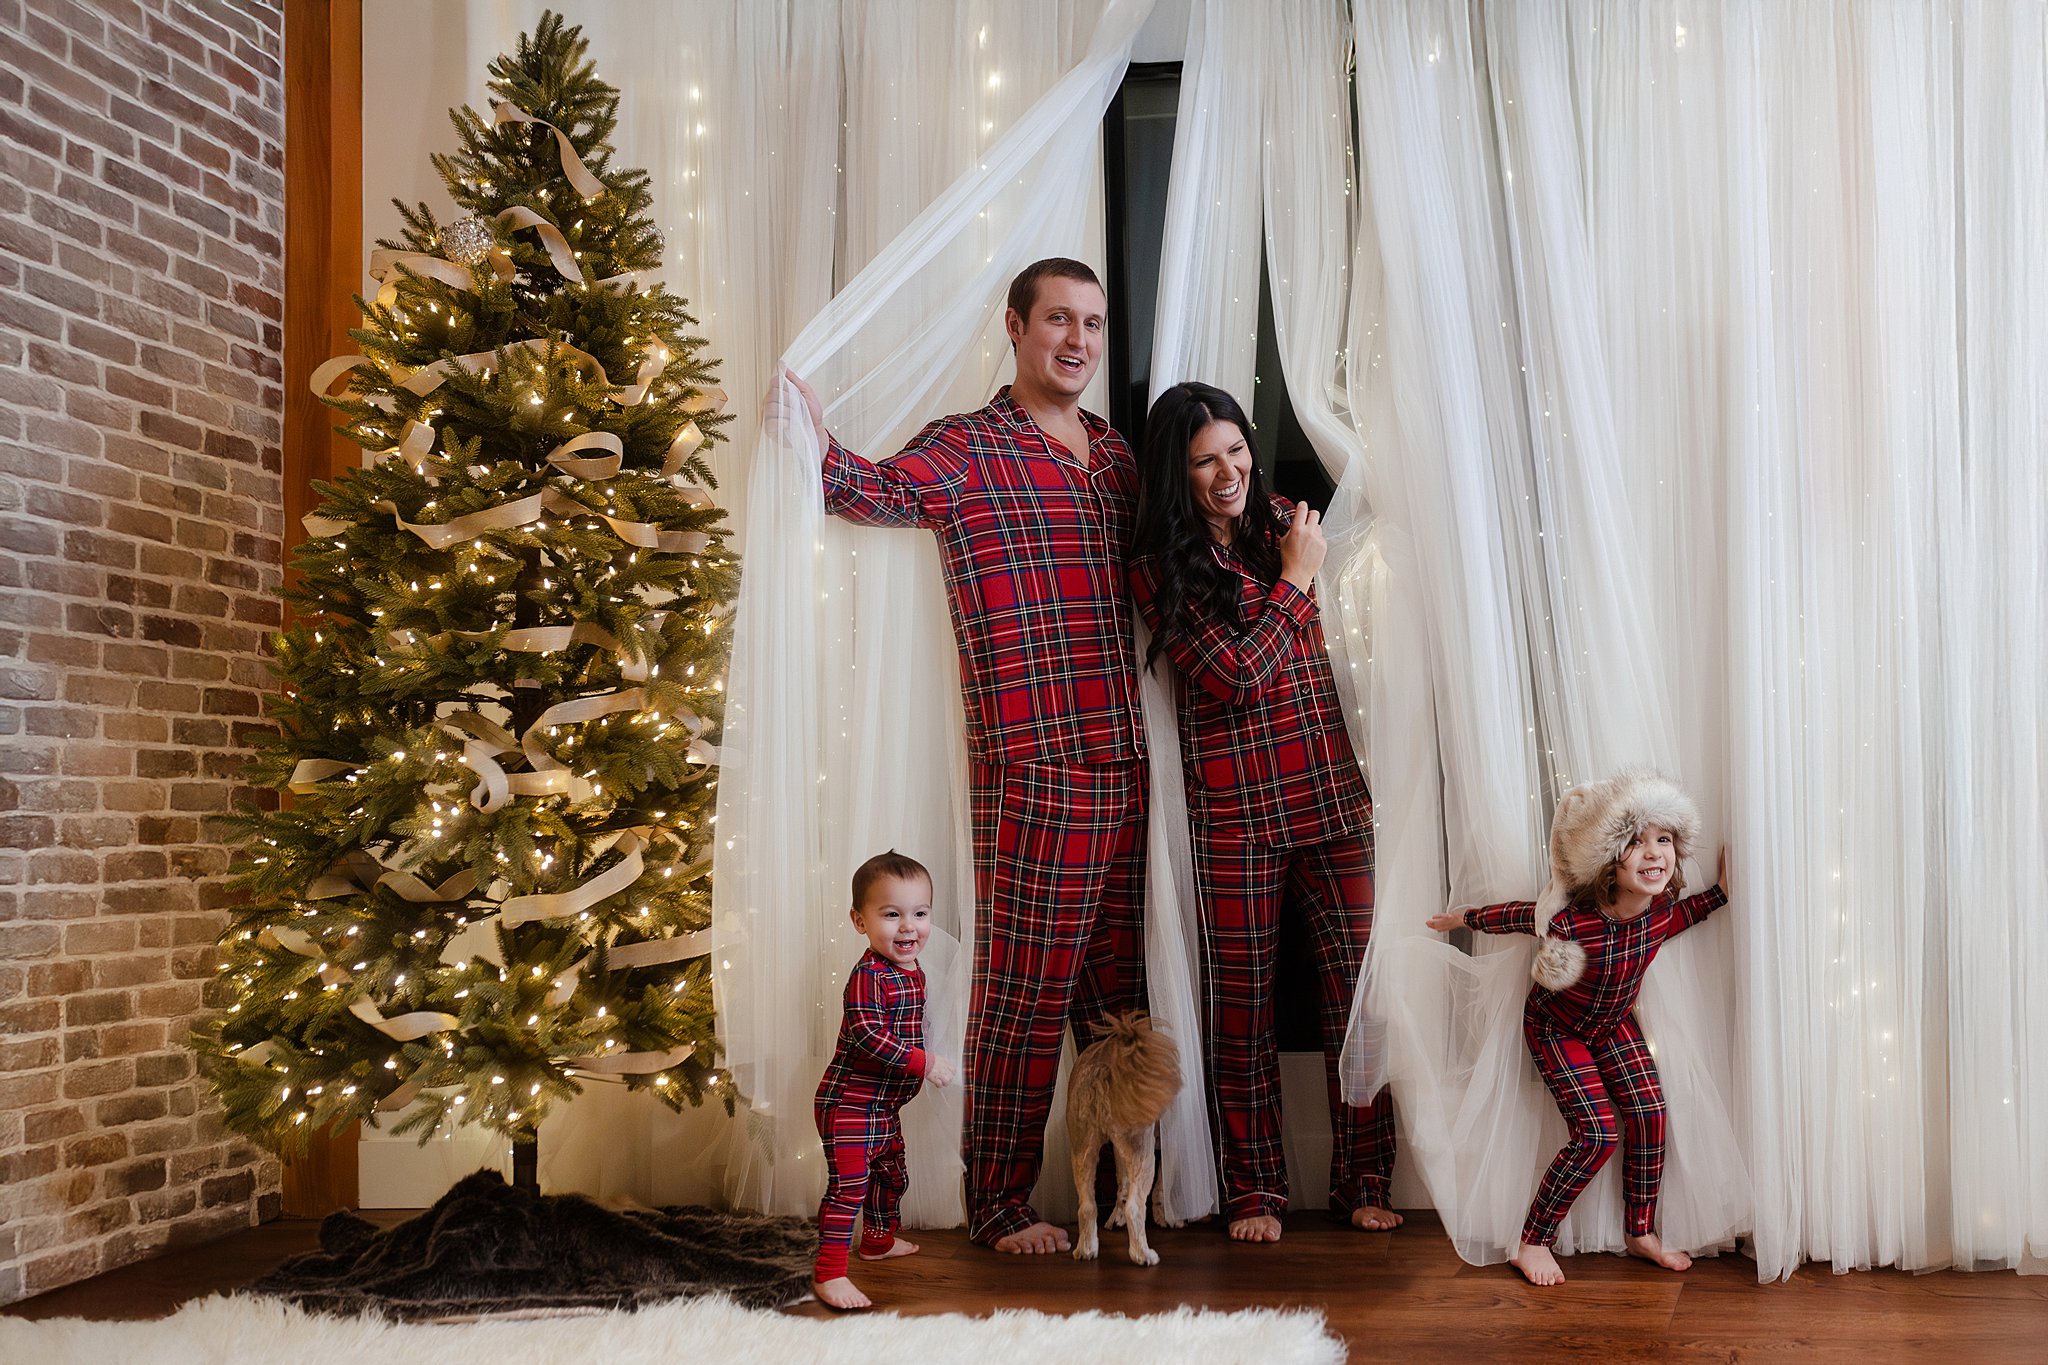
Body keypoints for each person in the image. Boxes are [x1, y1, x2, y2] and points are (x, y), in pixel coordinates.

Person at [782, 258, 1147, 1255]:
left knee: (1118, 999)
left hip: (1124, 758)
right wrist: (804, 432)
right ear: (1015, 328)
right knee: (1023, 999)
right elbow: (866, 490)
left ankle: (1117, 1193)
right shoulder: (969, 448)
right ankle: (997, 1206)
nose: (1075, 340)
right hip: (1033, 762)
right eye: (1057, 321)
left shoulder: (1114, 457)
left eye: (1091, 324)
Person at [1126, 381, 1399, 1243]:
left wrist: (1305, 571)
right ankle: (1255, 1190)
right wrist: (1295, 582)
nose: (1227, 470)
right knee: (1241, 1007)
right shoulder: (1160, 566)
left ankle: (1365, 1177)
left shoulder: (1283, 522)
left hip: (1329, 796)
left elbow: (1353, 570)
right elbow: (1237, 677)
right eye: (1205, 459)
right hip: (1235, 813)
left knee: (1361, 997)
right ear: (1178, 471)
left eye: (1236, 449)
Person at [1425, 767, 1731, 1286]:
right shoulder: (1574, 920)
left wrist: (1722, 891)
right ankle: (1533, 1241)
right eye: (1635, 843)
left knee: (1651, 1112)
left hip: (1613, 1026)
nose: (1654, 853)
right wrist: (1465, 918)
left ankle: (1641, 1231)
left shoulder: (1658, 913)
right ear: (1608, 861)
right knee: (1597, 1134)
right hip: (1556, 1030)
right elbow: (1520, 915)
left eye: (1663, 840)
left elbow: (1689, 914)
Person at [813, 850, 957, 1310]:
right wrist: (925, 1063)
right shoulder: (869, 976)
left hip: (883, 1108)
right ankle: (830, 1272)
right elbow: (867, 1035)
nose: (908, 927)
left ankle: (877, 1240)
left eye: (920, 913)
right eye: (891, 915)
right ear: (860, 921)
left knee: (892, 1174)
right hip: (849, 1104)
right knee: (849, 1186)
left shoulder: (913, 973)